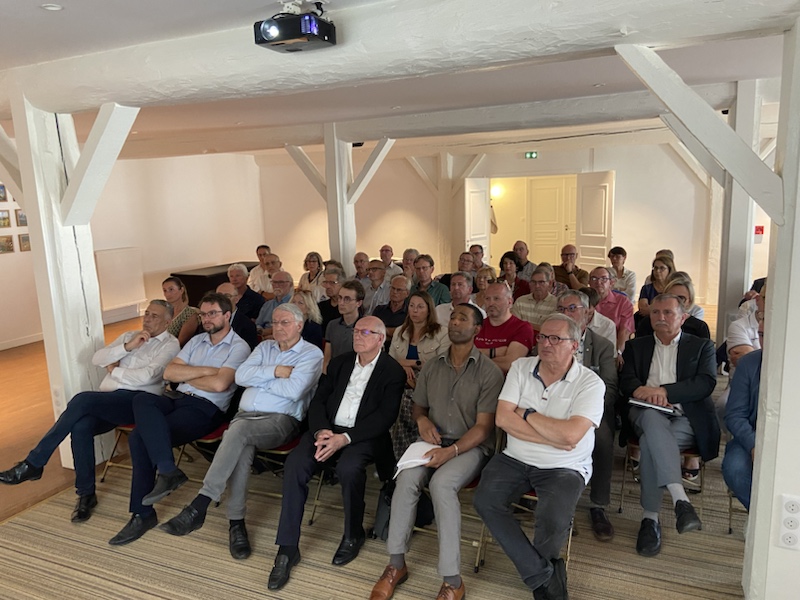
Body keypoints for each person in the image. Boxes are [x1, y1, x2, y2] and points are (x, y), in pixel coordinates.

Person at [159, 304, 323, 558]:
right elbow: (242, 377)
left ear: (299, 326)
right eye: (275, 322)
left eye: (285, 323)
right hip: (245, 418)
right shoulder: (264, 348)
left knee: (238, 432)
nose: (278, 327)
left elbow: (294, 391)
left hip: (281, 421)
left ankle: (201, 503)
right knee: (241, 443)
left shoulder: (311, 354)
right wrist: (276, 372)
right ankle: (236, 524)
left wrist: (260, 380)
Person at [0, 300, 180, 523]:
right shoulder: (130, 336)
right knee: (80, 426)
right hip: (109, 400)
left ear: (167, 322)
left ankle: (34, 463)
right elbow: (97, 358)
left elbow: (148, 376)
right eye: (147, 313)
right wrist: (127, 347)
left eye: (154, 316)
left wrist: (114, 370)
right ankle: (86, 495)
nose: (147, 319)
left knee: (82, 399)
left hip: (138, 404)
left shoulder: (170, 345)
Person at [370, 304, 503, 600]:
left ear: (477, 329)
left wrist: (452, 451)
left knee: (442, 484)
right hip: (433, 440)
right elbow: (419, 407)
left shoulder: (489, 372)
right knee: (406, 478)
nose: (454, 322)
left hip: (469, 446)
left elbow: (484, 428)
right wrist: (422, 421)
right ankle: (395, 564)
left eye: (462, 318)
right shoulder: (432, 366)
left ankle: (453, 580)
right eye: (452, 317)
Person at [267, 317, 405, 591]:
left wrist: (345, 438)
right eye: (356, 331)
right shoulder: (340, 363)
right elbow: (319, 401)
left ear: (380, 339)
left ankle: (353, 534)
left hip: (362, 435)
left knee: (349, 468)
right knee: (295, 463)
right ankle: (287, 547)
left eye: (365, 332)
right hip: (327, 429)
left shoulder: (392, 371)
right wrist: (321, 431)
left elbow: (385, 417)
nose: (358, 336)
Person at [474, 315, 604, 600]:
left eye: (555, 339)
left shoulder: (590, 383)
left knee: (552, 518)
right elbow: (502, 419)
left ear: (574, 345)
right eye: (542, 337)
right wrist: (553, 437)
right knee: (485, 500)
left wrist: (528, 414)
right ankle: (542, 576)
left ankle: (540, 576)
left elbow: (571, 436)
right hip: (515, 457)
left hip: (566, 466)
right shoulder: (521, 367)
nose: (546, 343)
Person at [108, 292, 251, 545]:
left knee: (139, 437)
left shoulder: (239, 347)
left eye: (212, 313)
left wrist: (188, 376)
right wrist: (206, 372)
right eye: (203, 314)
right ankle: (168, 471)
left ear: (227, 315)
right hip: (176, 398)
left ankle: (143, 513)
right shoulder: (196, 341)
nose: (206, 319)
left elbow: (220, 385)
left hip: (205, 409)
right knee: (141, 399)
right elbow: (169, 373)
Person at [620, 294, 718, 557]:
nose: (660, 317)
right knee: (652, 419)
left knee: (651, 443)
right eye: (655, 312)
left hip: (685, 418)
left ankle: (650, 519)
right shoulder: (636, 346)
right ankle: (680, 499)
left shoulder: (702, 346)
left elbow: (706, 383)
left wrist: (664, 392)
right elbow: (626, 380)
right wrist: (641, 391)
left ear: (683, 317)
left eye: (668, 313)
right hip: (644, 412)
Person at [556, 290, 619, 541]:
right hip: (554, 406)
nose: (566, 314)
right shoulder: (549, 341)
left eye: (572, 308)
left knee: (602, 437)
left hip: (590, 409)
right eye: (561, 309)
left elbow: (610, 387)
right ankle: (539, 493)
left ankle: (598, 505)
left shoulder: (602, 345)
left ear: (587, 313)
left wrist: (587, 413)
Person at [389, 291, 451, 460]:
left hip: (429, 383)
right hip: (400, 380)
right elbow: (389, 362)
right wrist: (403, 366)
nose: (415, 310)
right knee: (390, 401)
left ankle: (407, 456)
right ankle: (396, 457)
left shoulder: (442, 333)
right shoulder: (400, 331)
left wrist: (410, 363)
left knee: (404, 404)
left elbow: (441, 365)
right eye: (412, 306)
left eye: (420, 307)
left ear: (429, 310)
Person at [723, 345, 762, 511]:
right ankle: (759, 515)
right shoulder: (748, 363)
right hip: (751, 434)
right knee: (735, 468)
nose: (766, 341)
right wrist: (753, 444)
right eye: (761, 335)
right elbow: (734, 414)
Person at [474, 281, 534, 374]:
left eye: (496, 298)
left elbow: (510, 364)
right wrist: (494, 352)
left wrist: (476, 356)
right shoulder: (476, 325)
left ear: (510, 302)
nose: (491, 303)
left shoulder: (522, 328)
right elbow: (460, 355)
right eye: (487, 299)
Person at [635, 277, 711, 339]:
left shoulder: (699, 328)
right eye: (671, 297)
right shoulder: (648, 323)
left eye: (681, 298)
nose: (675, 302)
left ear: (690, 301)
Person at [588, 266, 634, 360]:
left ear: (611, 283)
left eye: (604, 279)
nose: (598, 282)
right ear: (589, 282)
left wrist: (618, 353)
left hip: (612, 348)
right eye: (594, 279)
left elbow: (624, 331)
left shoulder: (623, 302)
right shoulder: (583, 300)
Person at [324, 280, 365, 371]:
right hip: (334, 372)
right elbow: (327, 358)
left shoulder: (365, 327)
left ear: (358, 303)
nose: (341, 303)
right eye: (340, 298)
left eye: (347, 299)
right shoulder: (332, 325)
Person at [511, 265, 557, 335]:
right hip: (521, 338)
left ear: (549, 283)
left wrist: (524, 324)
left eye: (541, 282)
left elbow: (550, 329)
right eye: (533, 282)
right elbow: (514, 325)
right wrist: (537, 327)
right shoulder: (520, 301)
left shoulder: (555, 303)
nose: (537, 286)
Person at [216, 282, 259, 350]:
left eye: (227, 296)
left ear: (236, 299)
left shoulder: (247, 325)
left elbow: (247, 351)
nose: (222, 300)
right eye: (219, 296)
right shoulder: (208, 320)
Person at [255, 272, 295, 339]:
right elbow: (258, 324)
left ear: (290, 284)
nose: (277, 285)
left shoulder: (294, 304)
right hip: (264, 339)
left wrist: (269, 332)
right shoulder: (267, 305)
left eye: (281, 282)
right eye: (274, 282)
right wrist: (261, 333)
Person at [373, 274, 411, 344]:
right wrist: (393, 332)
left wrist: (383, 330)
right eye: (392, 288)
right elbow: (372, 331)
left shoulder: (410, 313)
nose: (394, 292)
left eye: (399, 290)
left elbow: (405, 334)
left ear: (407, 293)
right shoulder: (379, 310)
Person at [162, 276, 199, 347]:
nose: (167, 294)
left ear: (181, 290)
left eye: (171, 289)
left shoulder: (189, 314)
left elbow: (179, 343)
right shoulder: (164, 311)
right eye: (165, 290)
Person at [319, 266, 346, 332]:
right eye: (326, 282)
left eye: (332, 283)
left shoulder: (347, 307)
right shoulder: (321, 306)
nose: (327, 286)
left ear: (342, 284)